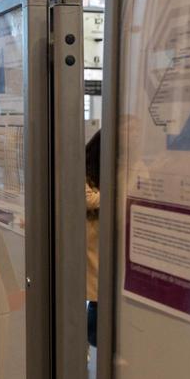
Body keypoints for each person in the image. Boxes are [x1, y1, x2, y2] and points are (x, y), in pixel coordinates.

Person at [85, 130, 101, 348]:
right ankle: (92, 340)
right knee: (96, 293)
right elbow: (89, 200)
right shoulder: (84, 168)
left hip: (106, 239)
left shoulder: (132, 166)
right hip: (91, 239)